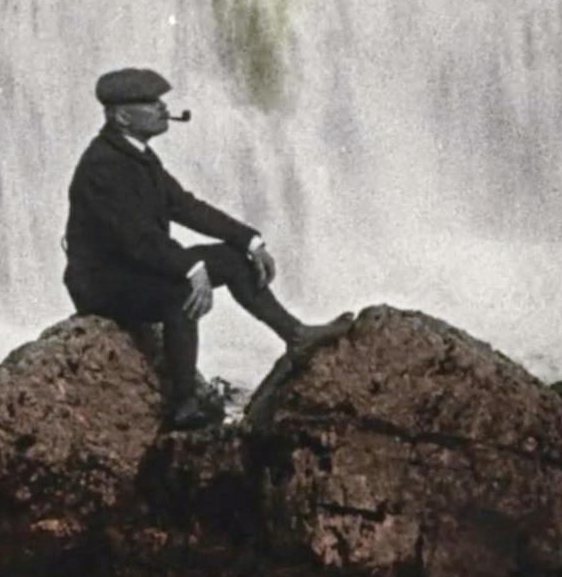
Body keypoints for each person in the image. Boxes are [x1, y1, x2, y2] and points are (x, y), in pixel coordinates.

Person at [63, 67, 348, 431]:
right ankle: (184, 405)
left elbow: (184, 206)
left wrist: (249, 239)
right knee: (179, 291)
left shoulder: (136, 155)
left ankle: (295, 336)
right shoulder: (103, 165)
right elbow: (136, 239)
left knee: (233, 261)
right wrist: (190, 268)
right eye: (150, 103)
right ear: (121, 116)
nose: (162, 108)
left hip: (132, 269)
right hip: (101, 285)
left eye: (160, 101)